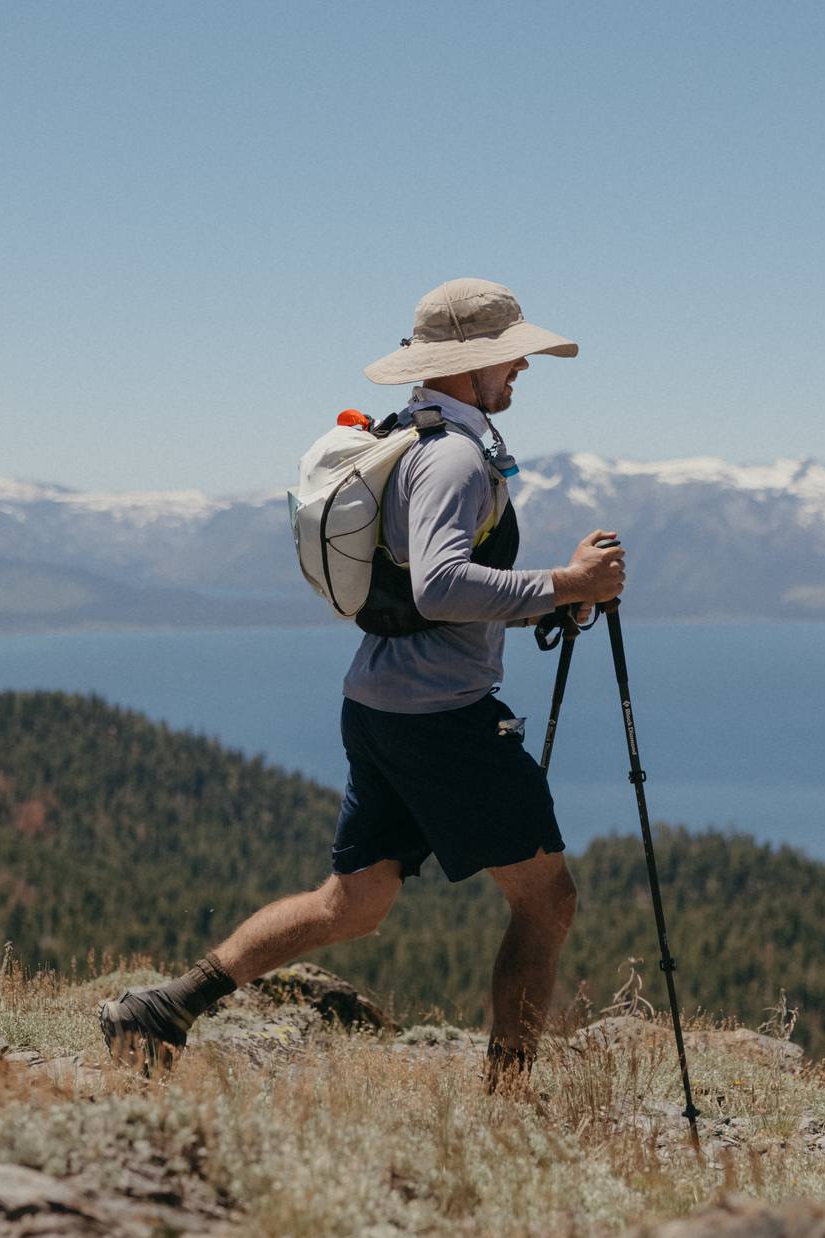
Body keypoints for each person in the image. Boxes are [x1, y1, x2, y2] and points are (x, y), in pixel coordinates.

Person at [97, 277, 627, 1089]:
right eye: (510, 357)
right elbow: (441, 588)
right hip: (444, 720)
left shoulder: (409, 439)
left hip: (379, 705)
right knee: (547, 900)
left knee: (352, 904)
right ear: (469, 363)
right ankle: (508, 1102)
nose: (520, 370)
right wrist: (566, 584)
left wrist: (541, 605)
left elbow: (430, 596)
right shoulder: (454, 457)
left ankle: (164, 1010)